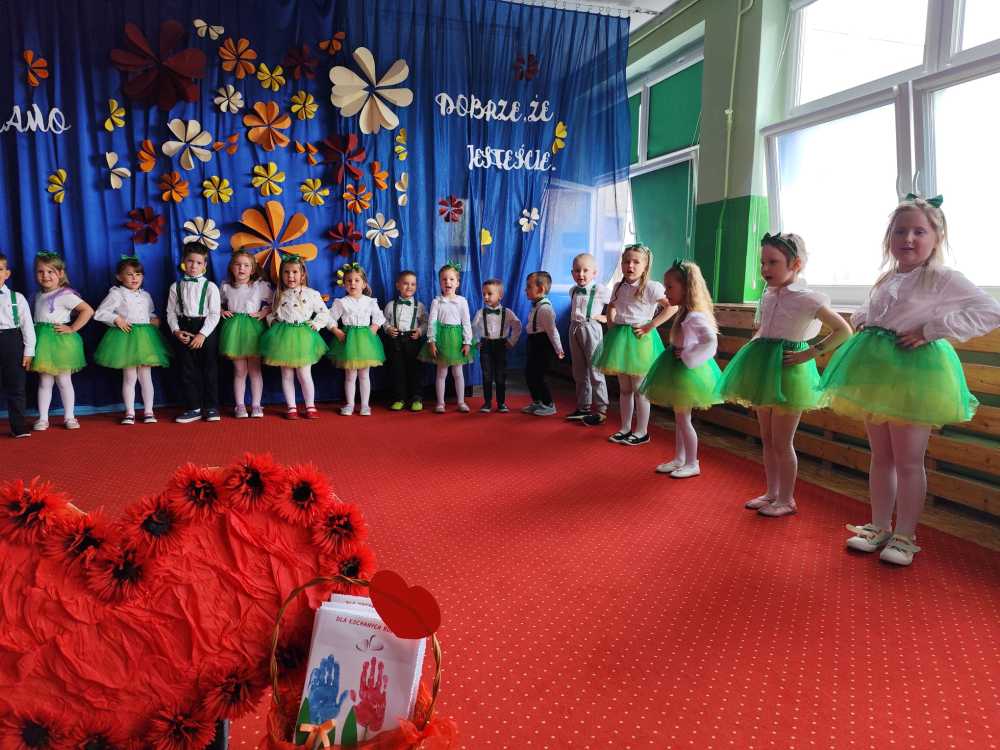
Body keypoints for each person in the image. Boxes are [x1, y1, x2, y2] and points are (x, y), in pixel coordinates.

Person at [819, 195, 1000, 565]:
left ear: (937, 237)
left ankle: (904, 536)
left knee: (909, 460)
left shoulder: (942, 278)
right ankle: (878, 525)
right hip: (877, 372)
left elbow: (990, 311)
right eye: (900, 231)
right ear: (890, 238)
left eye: (919, 231)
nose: (908, 238)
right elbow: (870, 309)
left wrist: (931, 329)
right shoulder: (888, 277)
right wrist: (862, 319)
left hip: (916, 374)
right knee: (881, 456)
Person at [717, 233, 851, 517]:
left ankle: (787, 499)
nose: (765, 269)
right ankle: (772, 492)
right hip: (762, 366)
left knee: (782, 441)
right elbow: (764, 328)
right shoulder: (768, 295)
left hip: (790, 370)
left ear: (796, 264)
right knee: (767, 438)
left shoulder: (807, 298)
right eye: (762, 262)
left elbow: (843, 330)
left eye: (773, 262)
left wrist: (811, 353)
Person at [640, 259, 721, 478]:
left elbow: (710, 341)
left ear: (686, 288)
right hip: (677, 368)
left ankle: (692, 462)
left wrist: (687, 354)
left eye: (670, 287)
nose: (666, 292)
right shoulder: (685, 312)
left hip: (687, 371)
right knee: (680, 418)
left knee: (684, 420)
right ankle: (680, 458)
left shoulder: (694, 316)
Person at [592, 244, 675, 445]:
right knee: (625, 388)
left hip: (640, 340)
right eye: (626, 261)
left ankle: (642, 431)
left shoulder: (652, 287)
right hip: (620, 338)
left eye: (636, 262)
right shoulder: (618, 287)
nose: (630, 265)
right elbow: (612, 306)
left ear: (645, 266)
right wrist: (611, 323)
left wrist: (650, 325)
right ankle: (625, 427)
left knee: (640, 388)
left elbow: (672, 307)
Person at [93, 255, 172, 425]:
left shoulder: (145, 295)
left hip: (145, 338)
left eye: (138, 274)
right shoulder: (117, 294)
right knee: (129, 377)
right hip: (126, 338)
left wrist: (154, 319)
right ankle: (130, 412)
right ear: (119, 276)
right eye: (129, 274)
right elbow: (100, 313)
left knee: (146, 376)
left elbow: (149, 313)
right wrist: (116, 319)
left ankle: (149, 411)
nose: (134, 278)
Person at [260, 257, 330, 419]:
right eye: (286, 272)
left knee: (304, 373)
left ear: (302, 274)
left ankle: (310, 406)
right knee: (286, 374)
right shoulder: (278, 294)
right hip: (283, 336)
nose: (290, 276)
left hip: (303, 336)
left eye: (294, 272)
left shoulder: (311, 294)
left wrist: (316, 324)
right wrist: (273, 322)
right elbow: (271, 314)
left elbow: (324, 312)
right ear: (281, 275)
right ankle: (291, 407)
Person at [30, 252, 92, 431]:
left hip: (61, 343)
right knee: (44, 382)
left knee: (64, 381)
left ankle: (69, 416)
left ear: (61, 273)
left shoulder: (65, 294)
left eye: (50, 271)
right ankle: (43, 418)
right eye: (40, 272)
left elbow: (87, 310)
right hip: (42, 343)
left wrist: (72, 328)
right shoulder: (38, 295)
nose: (45, 276)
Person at [167, 243, 222, 423]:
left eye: (198, 263)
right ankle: (193, 408)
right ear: (184, 261)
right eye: (190, 261)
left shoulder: (211, 287)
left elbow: (214, 314)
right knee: (187, 369)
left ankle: (212, 407)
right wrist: (176, 331)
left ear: (204, 265)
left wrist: (202, 334)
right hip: (184, 327)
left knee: (209, 369)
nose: (193, 266)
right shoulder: (176, 286)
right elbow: (170, 312)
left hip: (206, 328)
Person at [328, 263, 386, 416]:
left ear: (364, 284)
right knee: (350, 375)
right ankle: (350, 404)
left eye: (356, 280)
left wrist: (375, 327)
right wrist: (336, 331)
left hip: (365, 340)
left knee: (364, 375)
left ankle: (365, 405)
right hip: (348, 340)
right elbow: (329, 318)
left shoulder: (370, 301)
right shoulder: (342, 302)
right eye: (349, 280)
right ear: (344, 284)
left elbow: (379, 316)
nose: (352, 283)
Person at [220, 249, 272, 418]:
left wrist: (264, 311)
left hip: (253, 328)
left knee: (255, 370)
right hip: (234, 329)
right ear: (231, 267)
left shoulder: (259, 286)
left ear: (252, 269)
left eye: (246, 265)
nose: (241, 268)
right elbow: (215, 303)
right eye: (237, 264)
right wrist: (221, 310)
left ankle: (256, 405)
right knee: (240, 370)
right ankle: (240, 405)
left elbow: (273, 303)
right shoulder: (226, 286)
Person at [419, 262, 474, 413]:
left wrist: (467, 342)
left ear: (457, 283)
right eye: (444, 279)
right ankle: (440, 403)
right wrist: (431, 341)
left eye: (451, 279)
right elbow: (432, 322)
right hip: (441, 340)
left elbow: (466, 323)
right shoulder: (436, 301)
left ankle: (461, 401)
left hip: (456, 340)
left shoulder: (462, 301)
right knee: (441, 373)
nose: (447, 282)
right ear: (440, 282)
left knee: (458, 373)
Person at [565, 253, 610, 426]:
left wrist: (606, 317)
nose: (581, 274)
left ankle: (601, 410)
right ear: (572, 273)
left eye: (585, 270)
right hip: (574, 328)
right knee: (579, 370)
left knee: (595, 369)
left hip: (591, 328)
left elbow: (616, 303)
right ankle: (583, 406)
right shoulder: (573, 290)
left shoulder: (599, 290)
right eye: (577, 271)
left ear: (594, 273)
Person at [471, 278, 521, 413]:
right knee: (486, 375)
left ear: (500, 295)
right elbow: (473, 328)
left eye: (489, 294)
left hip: (501, 345)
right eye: (484, 294)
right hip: (486, 346)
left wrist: (511, 341)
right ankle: (487, 403)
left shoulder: (507, 312)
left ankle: (501, 403)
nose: (486, 297)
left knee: (500, 376)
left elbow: (517, 326)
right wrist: (476, 341)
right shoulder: (480, 313)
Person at [0, 252, 35, 437]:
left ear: (7, 273)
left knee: (16, 387)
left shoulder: (17, 298)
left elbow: (27, 326)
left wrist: (29, 351)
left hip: (12, 342)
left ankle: (19, 427)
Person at [382, 270, 426, 412]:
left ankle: (417, 398)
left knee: (415, 370)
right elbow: (383, 321)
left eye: (413, 284)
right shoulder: (391, 305)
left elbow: (425, 323)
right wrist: (388, 328)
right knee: (397, 370)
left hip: (413, 340)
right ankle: (399, 398)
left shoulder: (420, 306)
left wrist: (420, 331)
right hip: (395, 341)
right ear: (398, 285)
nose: (409, 287)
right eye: (406, 283)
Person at [522, 271, 564, 416]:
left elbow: (552, 331)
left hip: (542, 344)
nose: (525, 290)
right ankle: (537, 401)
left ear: (541, 289)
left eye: (529, 287)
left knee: (539, 375)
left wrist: (559, 349)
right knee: (529, 374)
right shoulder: (535, 306)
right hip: (533, 342)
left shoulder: (545, 308)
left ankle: (549, 404)